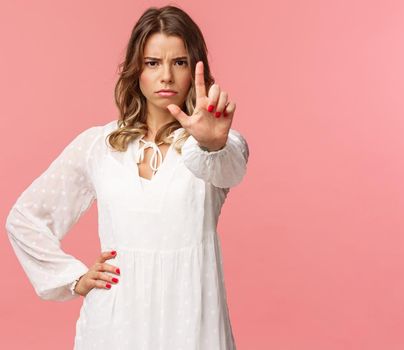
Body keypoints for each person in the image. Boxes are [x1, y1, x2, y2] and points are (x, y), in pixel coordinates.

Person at [5, 5, 249, 349]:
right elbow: (25, 218)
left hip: (191, 320)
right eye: (153, 63)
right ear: (137, 71)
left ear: (196, 69)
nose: (166, 76)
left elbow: (229, 169)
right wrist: (73, 278)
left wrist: (212, 142)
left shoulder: (214, 145)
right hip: (114, 324)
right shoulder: (98, 145)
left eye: (178, 62)